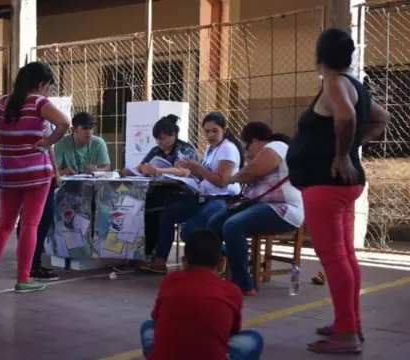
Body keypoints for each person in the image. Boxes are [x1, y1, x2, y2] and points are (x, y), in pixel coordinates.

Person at [286, 28, 389, 354]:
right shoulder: (354, 85)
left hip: (325, 185)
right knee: (345, 256)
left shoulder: (333, 83)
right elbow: (381, 118)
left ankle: (345, 333)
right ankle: (350, 322)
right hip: (343, 185)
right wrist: (352, 144)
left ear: (319, 56)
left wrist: (342, 153)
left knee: (333, 258)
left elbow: (345, 118)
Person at [0, 61, 70, 293]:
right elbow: (64, 123)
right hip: (36, 175)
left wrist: (3, 159)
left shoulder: (2, 103)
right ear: (40, 84)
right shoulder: (39, 102)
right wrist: (47, 142)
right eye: (48, 86)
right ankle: (23, 278)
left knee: (4, 226)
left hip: (8, 175)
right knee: (30, 225)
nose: (48, 91)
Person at [207, 122, 303, 296]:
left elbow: (253, 172)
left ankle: (243, 283)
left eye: (246, 148)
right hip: (260, 206)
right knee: (214, 223)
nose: (246, 153)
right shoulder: (260, 155)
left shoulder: (277, 146)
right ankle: (215, 269)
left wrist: (234, 177)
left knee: (233, 225)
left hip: (282, 209)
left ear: (256, 142)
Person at [140, 112, 243, 273]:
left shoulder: (228, 149)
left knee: (191, 231)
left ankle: (232, 254)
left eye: (214, 131)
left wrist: (197, 168)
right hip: (204, 196)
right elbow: (204, 175)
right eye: (207, 131)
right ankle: (160, 260)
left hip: (222, 199)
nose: (210, 135)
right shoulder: (210, 148)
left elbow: (222, 181)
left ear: (224, 130)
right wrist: (190, 170)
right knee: (168, 214)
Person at [140, 228, 264, 360]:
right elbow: (232, 331)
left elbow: (157, 318)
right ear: (222, 264)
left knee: (148, 325)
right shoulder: (232, 291)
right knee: (253, 338)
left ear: (184, 262)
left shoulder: (170, 280)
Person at [121, 115, 199, 259]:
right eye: (157, 139)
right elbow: (142, 167)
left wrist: (158, 170)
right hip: (159, 192)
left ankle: (160, 258)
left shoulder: (185, 149)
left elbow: (185, 172)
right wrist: (132, 170)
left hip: (182, 194)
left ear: (173, 135)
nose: (159, 142)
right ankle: (143, 252)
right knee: (142, 208)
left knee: (164, 214)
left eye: (162, 138)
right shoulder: (156, 150)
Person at [15, 119, 62, 282]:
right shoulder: (38, 109)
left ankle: (30, 264)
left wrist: (54, 169)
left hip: (28, 169)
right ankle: (30, 266)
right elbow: (63, 124)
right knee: (35, 220)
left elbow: (49, 146)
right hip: (34, 169)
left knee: (36, 219)